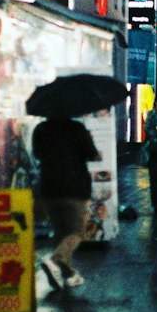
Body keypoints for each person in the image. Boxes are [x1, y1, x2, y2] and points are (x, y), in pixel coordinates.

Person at [32, 112, 100, 290]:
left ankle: (67, 275)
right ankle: (55, 260)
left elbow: (37, 154)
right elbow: (91, 153)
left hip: (49, 188)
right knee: (77, 231)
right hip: (74, 187)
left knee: (60, 233)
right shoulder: (77, 129)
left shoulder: (40, 129)